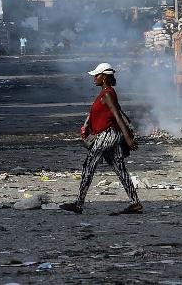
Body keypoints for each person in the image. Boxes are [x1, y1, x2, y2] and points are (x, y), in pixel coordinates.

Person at [60, 63, 141, 215]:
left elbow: (117, 116)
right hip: (111, 136)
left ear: (104, 77)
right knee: (120, 169)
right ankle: (135, 203)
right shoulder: (107, 93)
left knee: (88, 167)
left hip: (107, 135)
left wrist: (128, 138)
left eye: (97, 75)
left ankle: (78, 204)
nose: (94, 78)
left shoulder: (107, 94)